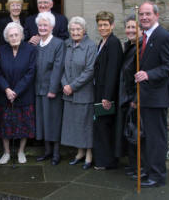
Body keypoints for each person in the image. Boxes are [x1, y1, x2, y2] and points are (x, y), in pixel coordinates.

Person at [135, 1, 169, 187]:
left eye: (148, 14)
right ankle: (150, 170)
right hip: (146, 97)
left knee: (156, 138)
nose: (144, 17)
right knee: (148, 138)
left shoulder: (163, 36)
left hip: (157, 97)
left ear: (156, 15)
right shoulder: (145, 36)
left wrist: (148, 74)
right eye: (142, 14)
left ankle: (158, 176)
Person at [0, 22, 37, 164]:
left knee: (24, 125)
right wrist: (7, 89)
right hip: (4, 94)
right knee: (5, 125)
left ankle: (21, 151)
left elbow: (31, 73)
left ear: (21, 35)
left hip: (24, 94)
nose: (13, 37)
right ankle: (6, 152)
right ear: (7, 37)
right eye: (10, 35)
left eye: (16, 34)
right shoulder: (1, 50)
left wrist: (16, 91)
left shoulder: (30, 50)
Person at [61, 16, 96, 170]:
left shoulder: (91, 46)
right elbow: (62, 67)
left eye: (78, 29)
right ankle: (79, 152)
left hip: (84, 93)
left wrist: (72, 86)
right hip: (68, 93)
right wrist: (64, 84)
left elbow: (90, 70)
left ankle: (89, 154)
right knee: (75, 125)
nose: (75, 32)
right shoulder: (66, 44)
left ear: (84, 30)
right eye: (72, 30)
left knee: (85, 125)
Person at [93, 11, 123, 170]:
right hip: (100, 90)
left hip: (107, 94)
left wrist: (107, 97)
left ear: (112, 25)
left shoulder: (113, 43)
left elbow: (113, 71)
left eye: (105, 24)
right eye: (100, 25)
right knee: (101, 126)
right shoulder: (102, 42)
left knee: (105, 126)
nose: (102, 27)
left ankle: (107, 162)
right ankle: (103, 160)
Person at [34, 12, 64, 166]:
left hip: (52, 91)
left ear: (52, 27)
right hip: (38, 90)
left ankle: (56, 153)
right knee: (43, 121)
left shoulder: (58, 44)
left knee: (53, 121)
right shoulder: (36, 44)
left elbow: (58, 68)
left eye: (45, 25)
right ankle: (47, 151)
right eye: (40, 25)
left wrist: (53, 89)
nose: (43, 27)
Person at [115, 14, 143, 177]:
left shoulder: (141, 47)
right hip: (126, 97)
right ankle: (133, 166)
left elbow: (140, 76)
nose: (130, 30)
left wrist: (136, 99)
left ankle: (141, 167)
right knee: (130, 133)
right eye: (128, 27)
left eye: (134, 27)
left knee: (137, 134)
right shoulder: (129, 46)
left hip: (134, 98)